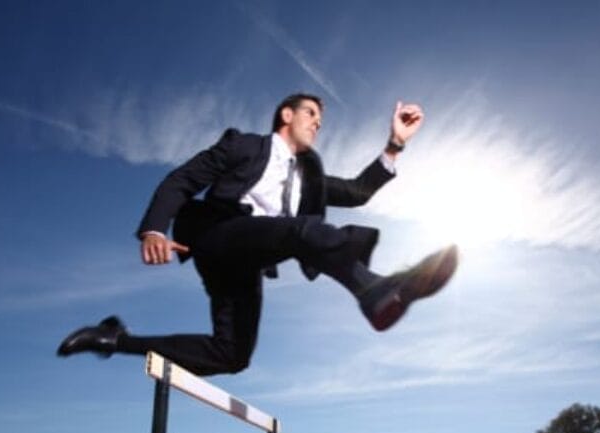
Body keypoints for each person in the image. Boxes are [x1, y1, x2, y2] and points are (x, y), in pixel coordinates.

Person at [58, 93, 458, 376]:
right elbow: (182, 180)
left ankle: (115, 339)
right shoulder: (243, 146)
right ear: (287, 115)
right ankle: (375, 289)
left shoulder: (310, 175)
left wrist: (394, 145)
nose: (318, 124)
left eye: (321, 120)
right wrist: (152, 230)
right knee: (305, 231)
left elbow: (357, 191)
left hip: (250, 260)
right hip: (216, 235)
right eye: (311, 114)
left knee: (232, 354)